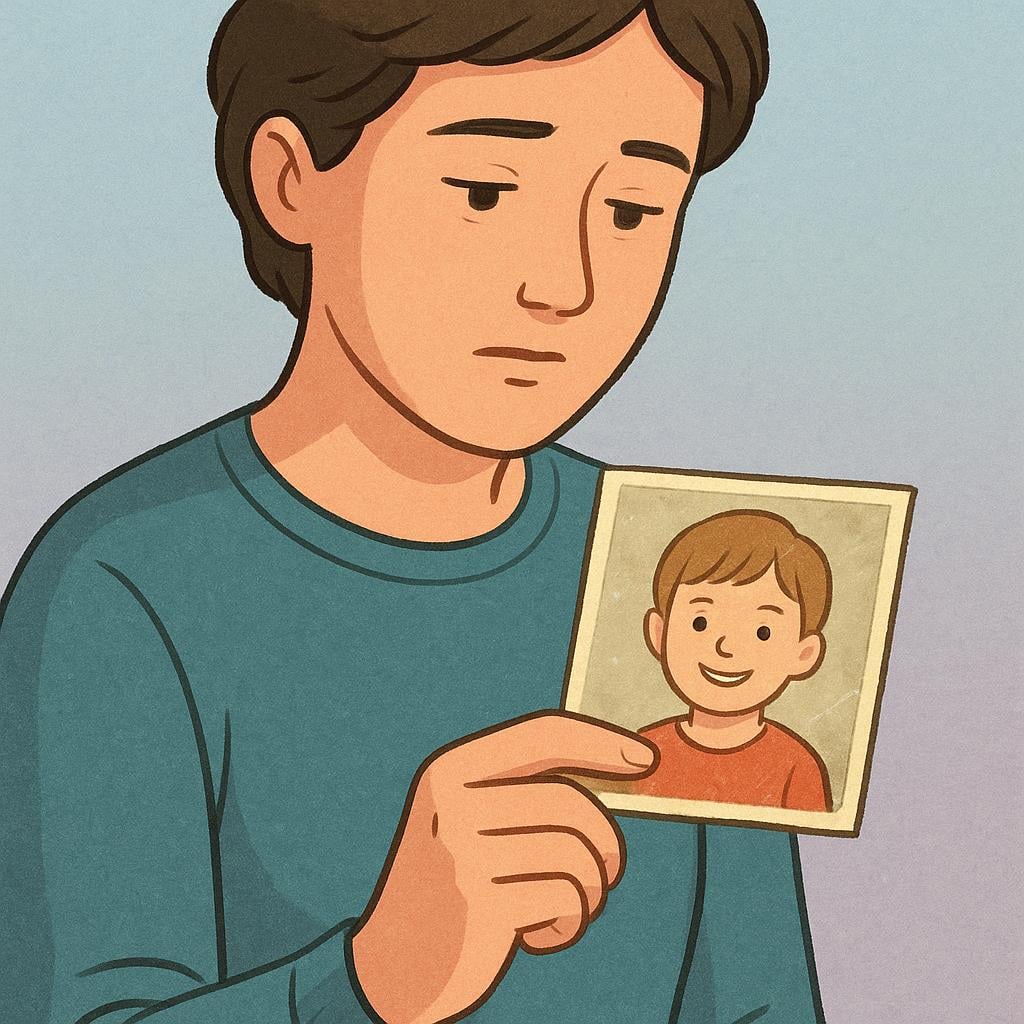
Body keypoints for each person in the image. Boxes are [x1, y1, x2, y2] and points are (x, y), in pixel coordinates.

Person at [0, 3, 827, 1022]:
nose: (561, 284)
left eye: (629, 210)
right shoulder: (125, 578)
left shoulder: (675, 567)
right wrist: (376, 977)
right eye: (483, 191)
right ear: (292, 180)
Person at [634, 510, 834, 812]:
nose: (726, 647)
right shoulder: (641, 754)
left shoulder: (795, 765)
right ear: (659, 633)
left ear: (803, 654)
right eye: (700, 622)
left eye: (762, 631)